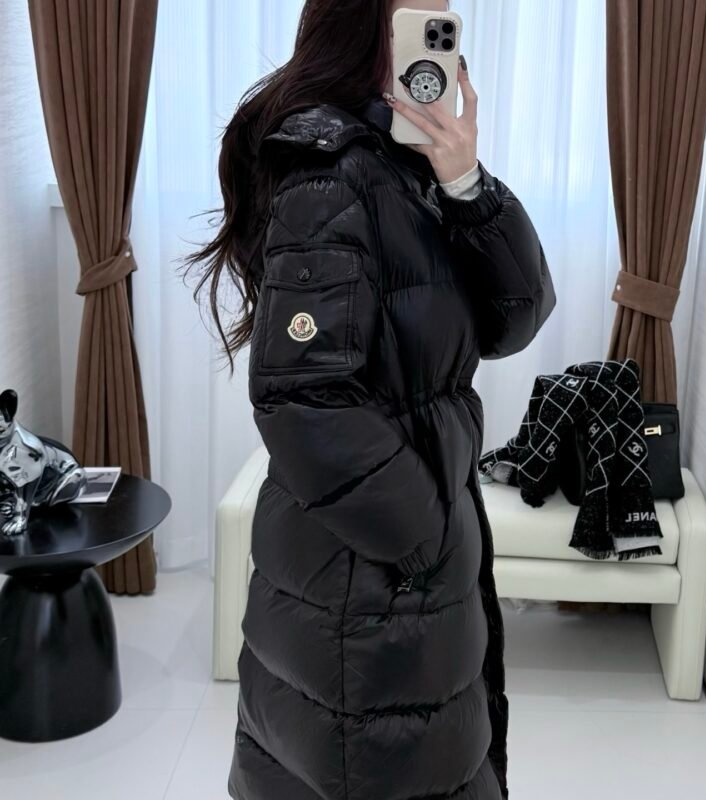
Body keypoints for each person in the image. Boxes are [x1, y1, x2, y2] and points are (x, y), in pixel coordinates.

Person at [186, 1, 555, 797]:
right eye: (419, 23)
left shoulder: (409, 167)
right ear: (362, 32)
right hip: (366, 573)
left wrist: (467, 181)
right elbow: (302, 397)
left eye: (446, 28)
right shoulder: (330, 176)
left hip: (392, 565)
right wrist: (421, 536)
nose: (439, 44)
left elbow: (516, 318)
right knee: (383, 764)